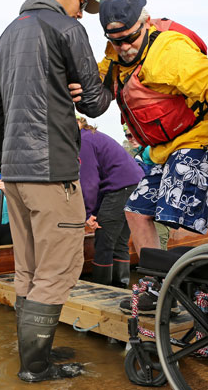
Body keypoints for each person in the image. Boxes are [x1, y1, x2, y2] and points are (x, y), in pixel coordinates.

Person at [0, 0, 111, 383]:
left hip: (13, 175)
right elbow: (94, 102)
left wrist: (6, 156)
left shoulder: (3, 38)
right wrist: (95, 89)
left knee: (28, 269)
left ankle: (37, 349)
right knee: (58, 270)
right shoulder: (66, 29)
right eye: (82, 4)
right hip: (52, 172)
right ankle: (35, 366)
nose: (83, 14)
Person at [92, 0, 208, 313]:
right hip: (168, 148)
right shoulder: (114, 60)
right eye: (115, 40)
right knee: (135, 211)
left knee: (177, 220)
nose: (124, 47)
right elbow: (93, 84)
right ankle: (154, 288)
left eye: (130, 38)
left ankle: (205, 296)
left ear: (145, 23)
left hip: (204, 140)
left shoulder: (169, 51)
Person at [78, 117, 143, 287]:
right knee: (120, 242)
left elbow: (89, 181)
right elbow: (99, 180)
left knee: (104, 240)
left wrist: (88, 213)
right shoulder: (93, 136)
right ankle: (120, 287)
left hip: (120, 188)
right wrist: (94, 210)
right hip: (133, 185)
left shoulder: (83, 140)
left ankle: (102, 288)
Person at [123, 125, 171, 250]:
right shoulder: (141, 153)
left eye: (133, 134)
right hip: (151, 207)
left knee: (158, 243)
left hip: (156, 208)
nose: (131, 139)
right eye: (128, 136)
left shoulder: (149, 150)